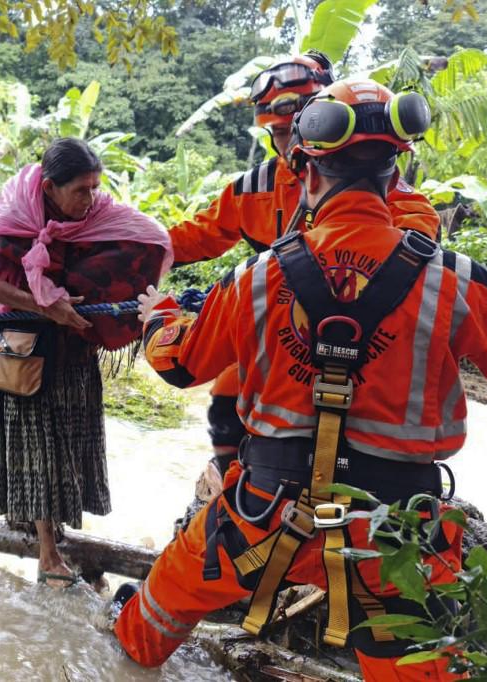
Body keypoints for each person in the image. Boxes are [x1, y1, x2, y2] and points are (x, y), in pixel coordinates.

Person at [114, 79, 487, 680]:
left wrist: (160, 314)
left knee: (141, 631)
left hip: (258, 517)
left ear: (308, 176)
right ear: (396, 177)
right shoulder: (457, 281)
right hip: (397, 543)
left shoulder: (254, 278)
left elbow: (177, 363)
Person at [168, 52, 441, 507]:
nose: (287, 143)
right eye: (276, 133)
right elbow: (199, 235)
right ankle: (235, 479)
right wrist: (131, 249)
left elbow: (414, 250)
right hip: (283, 337)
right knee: (227, 393)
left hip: (367, 347)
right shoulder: (254, 187)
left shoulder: (390, 191)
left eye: (294, 129)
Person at [0, 138, 173, 588]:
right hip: (26, 358)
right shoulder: (16, 223)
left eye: (95, 187)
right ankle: (48, 553)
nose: (90, 199)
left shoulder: (100, 220)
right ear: (50, 187)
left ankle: (58, 534)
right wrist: (43, 304)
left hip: (74, 356)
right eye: (80, 190)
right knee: (38, 454)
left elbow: (143, 244)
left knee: (71, 447)